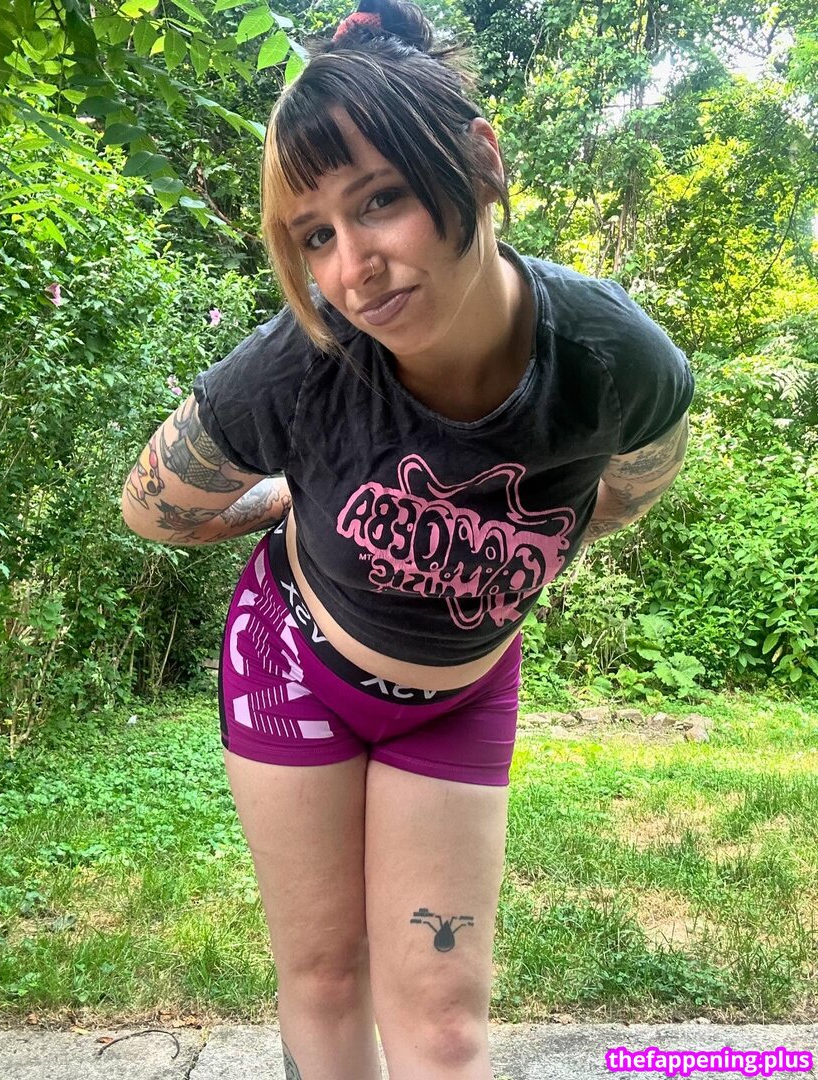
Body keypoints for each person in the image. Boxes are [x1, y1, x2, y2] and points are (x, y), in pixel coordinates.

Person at [121, 0, 694, 1076]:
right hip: (291, 663)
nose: (354, 268)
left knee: (442, 1022)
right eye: (315, 236)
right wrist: (278, 505)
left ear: (480, 161)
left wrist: (519, 555)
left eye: (379, 200)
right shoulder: (301, 363)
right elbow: (152, 506)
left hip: (461, 695)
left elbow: (634, 482)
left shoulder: (613, 357)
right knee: (326, 976)